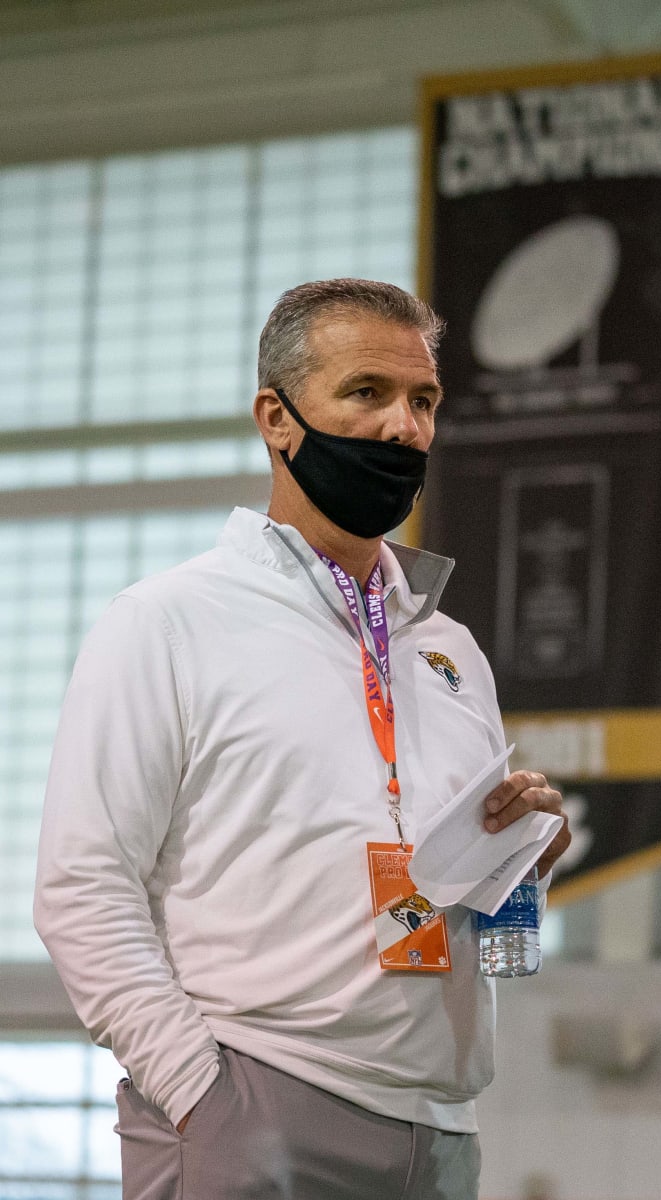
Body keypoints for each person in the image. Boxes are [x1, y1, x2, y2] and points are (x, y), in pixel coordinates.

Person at [34, 278, 571, 1200]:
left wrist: (522, 867)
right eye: (367, 393)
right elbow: (81, 887)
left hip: (442, 1127)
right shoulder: (168, 622)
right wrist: (202, 1094)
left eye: (424, 401)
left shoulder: (448, 649)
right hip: (252, 1101)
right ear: (277, 419)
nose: (405, 427)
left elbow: (472, 922)